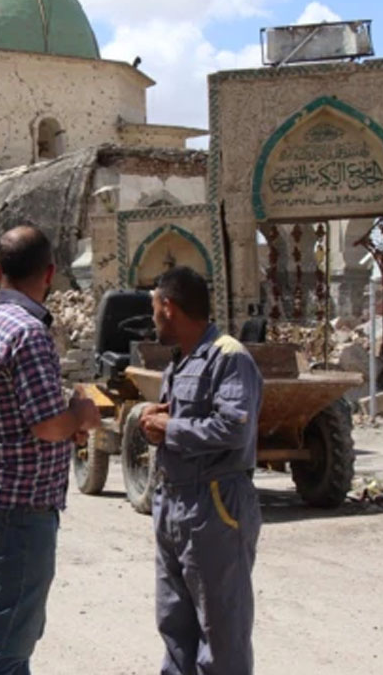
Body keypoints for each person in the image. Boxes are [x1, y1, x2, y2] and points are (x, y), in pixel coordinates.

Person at [0, 224, 101, 675]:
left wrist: (65, 427)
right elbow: (45, 426)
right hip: (22, 504)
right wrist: (80, 415)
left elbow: (13, 416)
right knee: (5, 643)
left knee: (14, 629)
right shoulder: (28, 332)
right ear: (50, 273)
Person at [139, 267, 264, 675]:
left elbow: (232, 426)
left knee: (221, 634)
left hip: (215, 506)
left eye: (155, 308)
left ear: (169, 307)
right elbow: (194, 420)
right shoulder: (182, 362)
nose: (152, 317)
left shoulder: (229, 357)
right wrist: (161, 421)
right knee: (175, 627)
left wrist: (168, 427)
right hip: (174, 503)